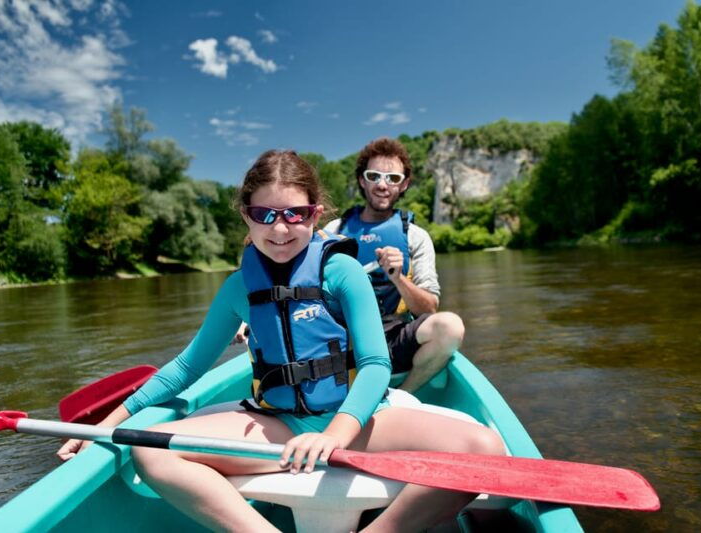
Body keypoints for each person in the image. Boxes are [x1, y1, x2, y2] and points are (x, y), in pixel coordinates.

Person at [56, 150, 504, 532]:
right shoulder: (237, 288)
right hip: (278, 424)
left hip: (359, 421)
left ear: (316, 213)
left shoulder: (341, 270)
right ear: (246, 217)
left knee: (484, 448)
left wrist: (335, 433)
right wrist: (100, 428)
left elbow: (374, 365)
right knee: (150, 450)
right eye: (264, 215)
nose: (281, 229)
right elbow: (185, 369)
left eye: (296, 214)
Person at [324, 137, 464, 393]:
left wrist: (398, 278)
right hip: (344, 338)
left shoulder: (416, 236)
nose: (382, 185)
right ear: (362, 180)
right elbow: (303, 287)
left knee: (450, 327)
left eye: (393, 178)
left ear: (404, 185)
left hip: (393, 334)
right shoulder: (333, 232)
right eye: (374, 176)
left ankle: (404, 394)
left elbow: (429, 308)